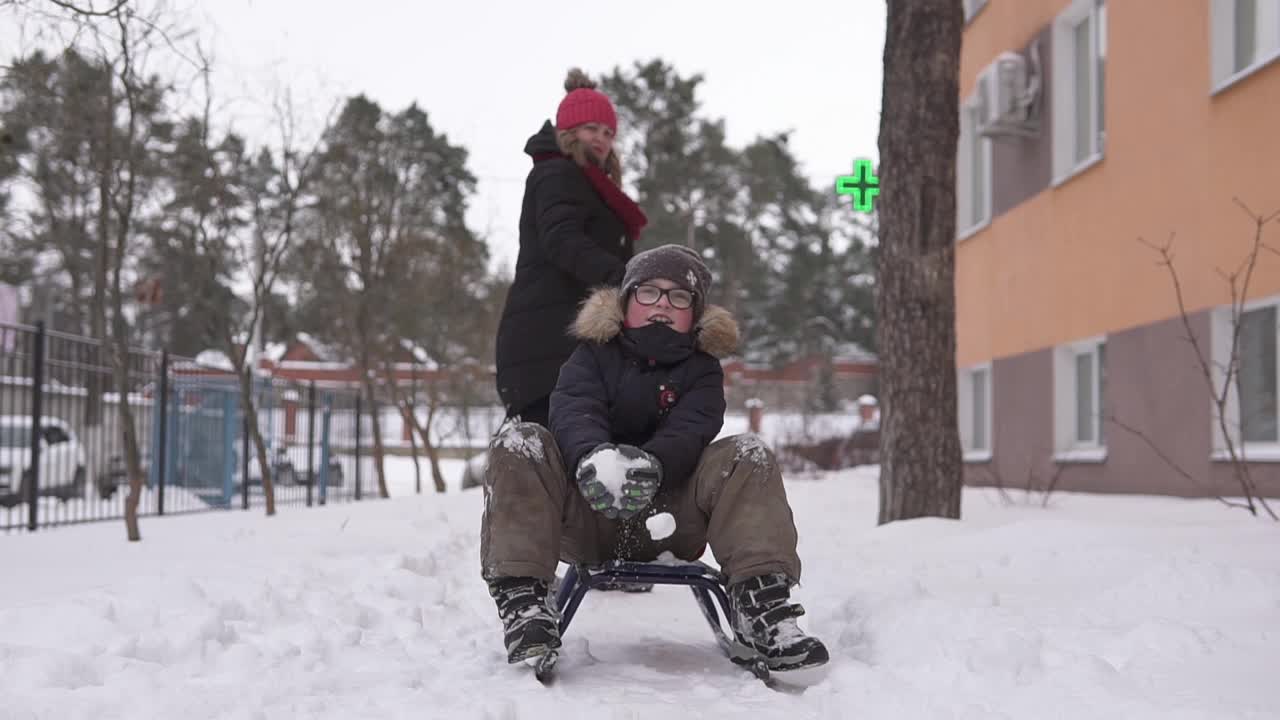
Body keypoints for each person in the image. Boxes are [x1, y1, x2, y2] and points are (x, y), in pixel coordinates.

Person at [480, 244, 830, 675]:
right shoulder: (589, 357)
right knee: (521, 440)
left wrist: (652, 464)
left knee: (747, 453)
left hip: (669, 520)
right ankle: (525, 601)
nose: (662, 304)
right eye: (649, 292)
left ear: (694, 313)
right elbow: (574, 409)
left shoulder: (703, 371)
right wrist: (594, 458)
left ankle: (762, 606)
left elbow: (692, 427)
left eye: (678, 297)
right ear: (627, 303)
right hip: (587, 516)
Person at [494, 67, 647, 428]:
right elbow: (560, 239)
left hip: (568, 337)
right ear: (569, 131)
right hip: (547, 341)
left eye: (608, 132)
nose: (601, 139)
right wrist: (623, 277)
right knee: (555, 453)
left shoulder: (588, 182)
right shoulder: (557, 174)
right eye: (591, 128)